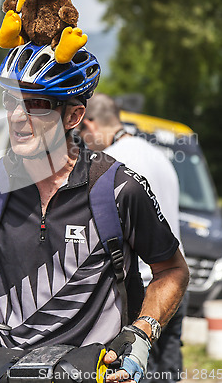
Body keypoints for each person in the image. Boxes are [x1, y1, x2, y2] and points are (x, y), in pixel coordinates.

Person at [0, 42, 189, 382]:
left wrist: (142, 334)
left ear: (74, 116)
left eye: (37, 105)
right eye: (11, 100)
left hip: (95, 372)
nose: (18, 116)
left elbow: (172, 269)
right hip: (8, 372)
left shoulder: (119, 189)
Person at [79, 93, 187, 383]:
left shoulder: (114, 164)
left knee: (133, 372)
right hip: (174, 280)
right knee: (167, 371)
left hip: (139, 290)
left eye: (81, 135)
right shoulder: (157, 154)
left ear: (90, 125)